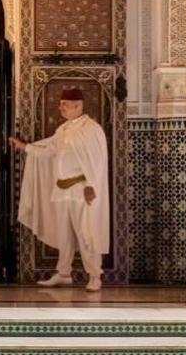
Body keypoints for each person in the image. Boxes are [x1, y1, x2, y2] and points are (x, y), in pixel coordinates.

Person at [10, 86, 110, 291]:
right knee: (64, 235)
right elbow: (49, 151)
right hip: (63, 190)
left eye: (64, 104)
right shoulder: (63, 129)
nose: (60, 107)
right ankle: (64, 273)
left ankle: (95, 275)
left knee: (86, 233)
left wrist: (92, 185)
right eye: (61, 103)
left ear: (77, 105)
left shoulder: (91, 129)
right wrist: (24, 147)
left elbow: (98, 161)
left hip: (82, 191)